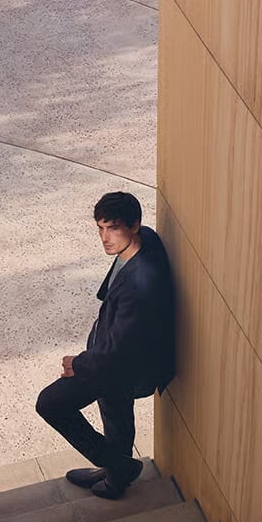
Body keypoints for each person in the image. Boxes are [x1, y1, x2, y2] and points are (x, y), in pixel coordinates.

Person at [36, 191, 177, 500]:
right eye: (100, 228)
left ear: (135, 225)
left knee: (50, 404)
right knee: (115, 413)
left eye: (112, 228)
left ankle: (118, 466)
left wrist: (79, 364)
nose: (105, 237)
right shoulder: (145, 240)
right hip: (118, 354)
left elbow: (118, 353)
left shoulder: (140, 284)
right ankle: (116, 474)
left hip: (124, 365)